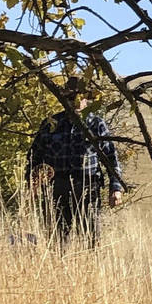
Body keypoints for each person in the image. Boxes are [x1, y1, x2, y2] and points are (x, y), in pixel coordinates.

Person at [26, 80, 125, 244]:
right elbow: (34, 155)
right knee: (56, 240)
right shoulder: (52, 123)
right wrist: (32, 182)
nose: (75, 101)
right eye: (71, 97)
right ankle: (58, 268)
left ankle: (90, 268)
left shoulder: (96, 124)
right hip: (57, 187)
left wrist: (116, 188)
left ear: (86, 98)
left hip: (88, 187)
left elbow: (111, 158)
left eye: (79, 96)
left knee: (90, 238)